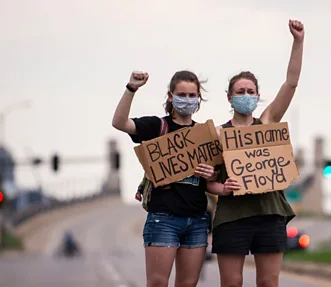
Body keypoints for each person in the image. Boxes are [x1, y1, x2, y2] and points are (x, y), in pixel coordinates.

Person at [206, 19, 305, 287]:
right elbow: (208, 182)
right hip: (232, 217)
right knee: (231, 283)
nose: (245, 95)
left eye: (250, 91)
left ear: (258, 96)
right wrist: (222, 188)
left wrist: (298, 42)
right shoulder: (216, 133)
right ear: (230, 97)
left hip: (269, 214)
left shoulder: (268, 122)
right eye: (240, 91)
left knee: (269, 283)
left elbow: (291, 83)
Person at [112, 70, 217, 287]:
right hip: (163, 219)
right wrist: (131, 88)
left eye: (191, 95)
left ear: (199, 98)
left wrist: (211, 174)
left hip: (197, 221)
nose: (187, 100)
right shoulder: (156, 127)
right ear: (171, 96)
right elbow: (120, 122)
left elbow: (214, 177)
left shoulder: (204, 134)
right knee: (158, 283)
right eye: (182, 94)